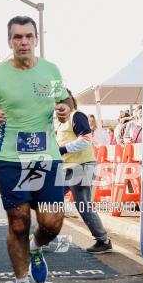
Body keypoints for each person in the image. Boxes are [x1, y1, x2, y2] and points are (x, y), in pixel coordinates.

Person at [0, 15, 71, 283]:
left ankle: (36, 247)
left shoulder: (50, 70)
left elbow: (66, 99)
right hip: (10, 159)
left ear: (36, 40)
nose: (23, 42)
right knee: (18, 224)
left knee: (52, 223)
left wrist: (67, 108)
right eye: (17, 37)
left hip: (46, 158)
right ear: (10, 42)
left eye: (28, 36)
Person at [57, 93, 113, 253]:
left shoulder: (76, 115)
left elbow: (86, 139)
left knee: (83, 205)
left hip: (81, 166)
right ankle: (44, 236)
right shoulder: (61, 122)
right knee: (51, 199)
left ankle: (103, 240)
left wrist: (62, 149)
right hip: (67, 167)